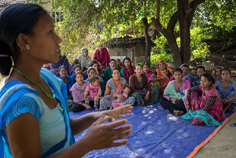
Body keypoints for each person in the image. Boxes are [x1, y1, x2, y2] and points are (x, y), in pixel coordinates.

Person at [0, 4, 133, 158]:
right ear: (23, 41)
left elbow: (62, 126)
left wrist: (101, 115)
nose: (59, 39)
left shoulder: (45, 77)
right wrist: (86, 144)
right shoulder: (20, 103)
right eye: (50, 32)